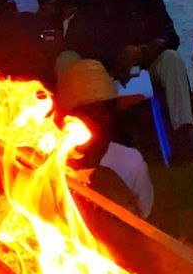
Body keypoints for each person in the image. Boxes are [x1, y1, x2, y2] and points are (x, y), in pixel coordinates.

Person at [60, 0, 193, 160]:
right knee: (66, 58)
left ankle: (184, 134)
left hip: (145, 66)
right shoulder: (91, 0)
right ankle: (70, 133)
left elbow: (170, 36)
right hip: (102, 69)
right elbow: (75, 41)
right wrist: (114, 58)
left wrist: (141, 51)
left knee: (171, 59)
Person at [55, 59, 153, 218]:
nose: (101, 118)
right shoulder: (47, 166)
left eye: (106, 109)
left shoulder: (131, 162)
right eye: (91, 111)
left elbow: (143, 223)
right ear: (69, 117)